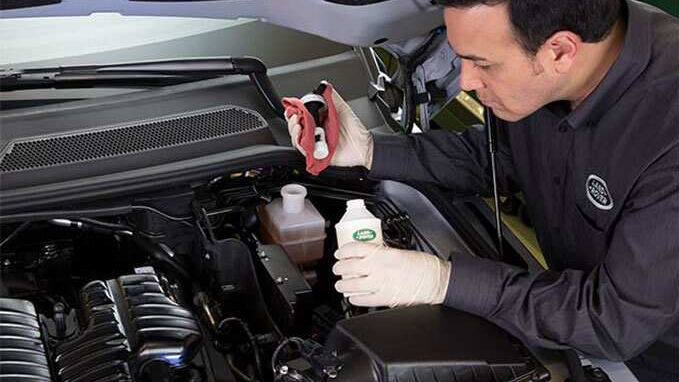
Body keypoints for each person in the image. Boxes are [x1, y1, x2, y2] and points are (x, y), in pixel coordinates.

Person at [285, 0, 679, 380]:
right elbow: (500, 156)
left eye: (482, 63)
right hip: (565, 328)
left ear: (560, 52)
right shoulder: (560, 54)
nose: (467, 81)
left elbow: (613, 320)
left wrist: (444, 281)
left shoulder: (667, 132)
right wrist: (370, 152)